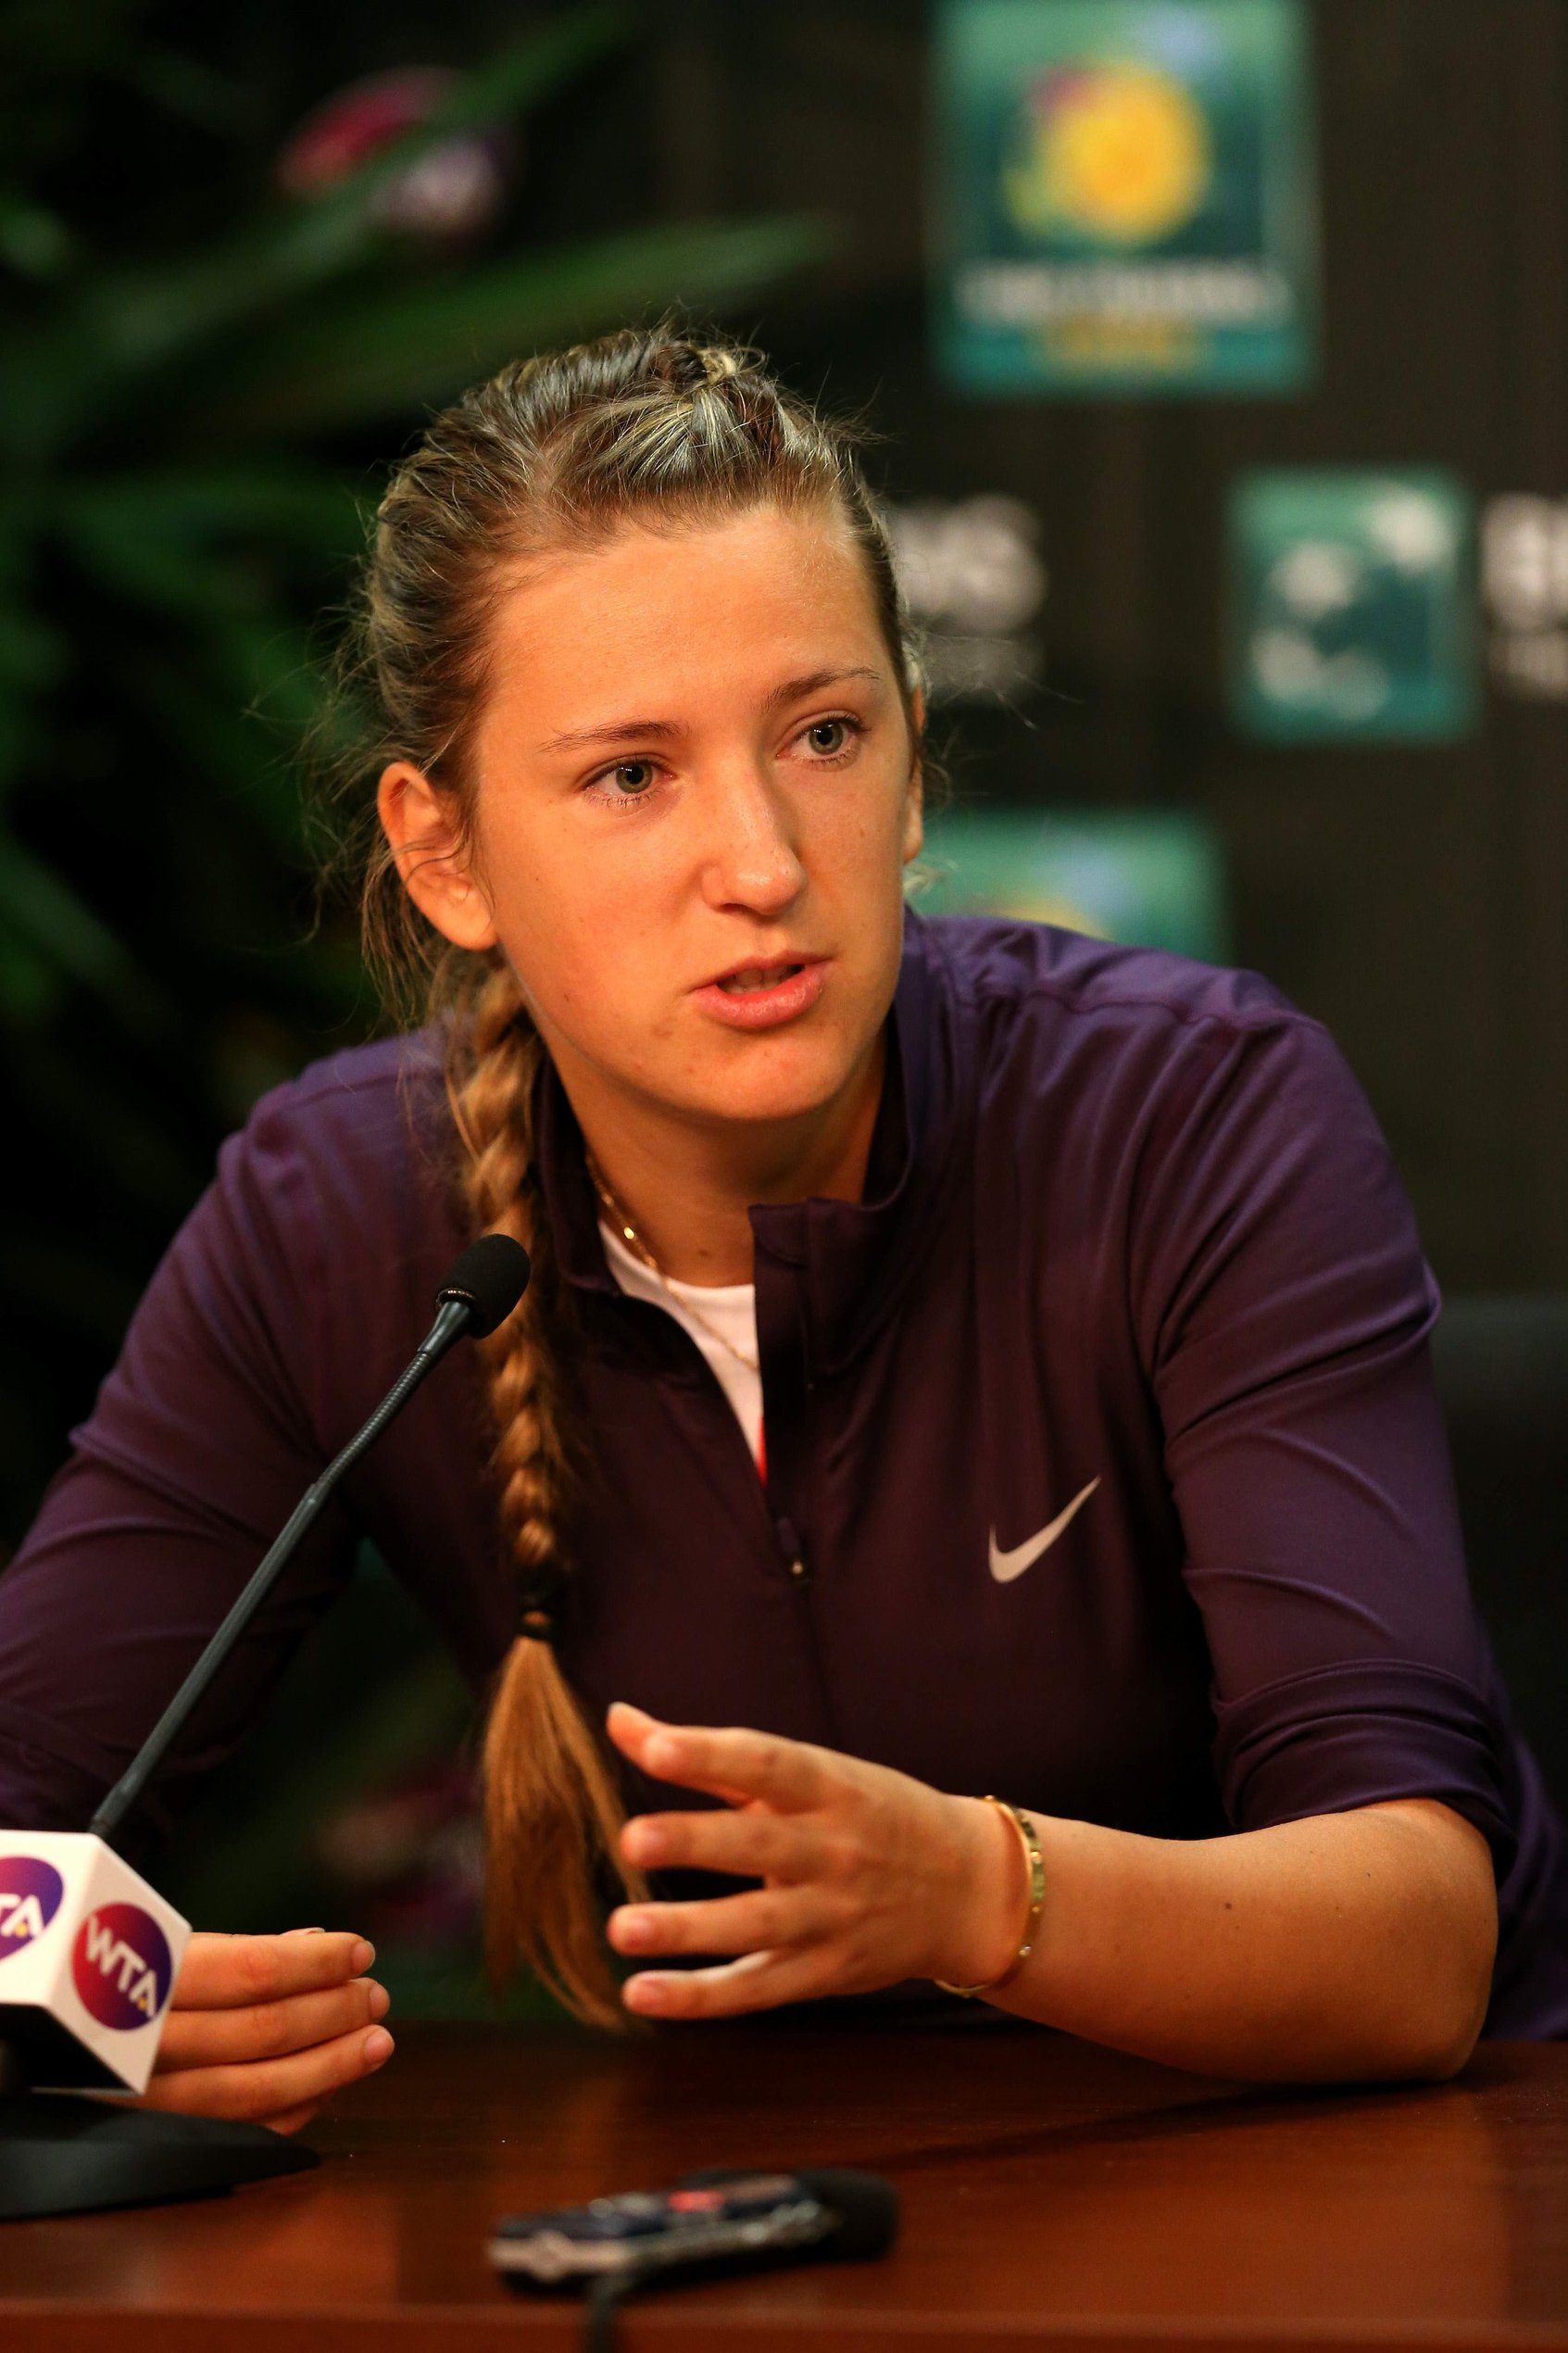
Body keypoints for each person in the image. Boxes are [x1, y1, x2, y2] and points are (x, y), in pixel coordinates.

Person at [2, 327, 1563, 2139]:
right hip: (778, 2213)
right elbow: (23, 1805)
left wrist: (978, 1892)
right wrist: (65, 1996)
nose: (757, 859)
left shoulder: (1191, 1114)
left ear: (911, 771)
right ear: (445, 856)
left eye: (823, 736)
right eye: (630, 775)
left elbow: (1416, 1938)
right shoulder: (335, 1219)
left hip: (1352, 2183)